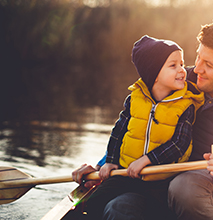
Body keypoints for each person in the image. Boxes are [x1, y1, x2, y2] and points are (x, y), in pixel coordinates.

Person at [73, 18, 213, 220]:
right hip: (152, 187)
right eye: (198, 57)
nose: (196, 69)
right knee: (118, 208)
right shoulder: (175, 79)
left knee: (184, 187)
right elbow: (137, 126)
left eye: (209, 65)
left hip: (200, 196)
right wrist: (101, 168)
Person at [71, 35, 204, 219]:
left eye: (182, 64)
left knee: (152, 210)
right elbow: (118, 132)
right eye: (173, 65)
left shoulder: (185, 105)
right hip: (126, 174)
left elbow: (179, 144)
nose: (182, 70)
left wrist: (147, 159)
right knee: (94, 203)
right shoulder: (134, 99)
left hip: (161, 180)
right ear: (153, 74)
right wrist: (110, 160)